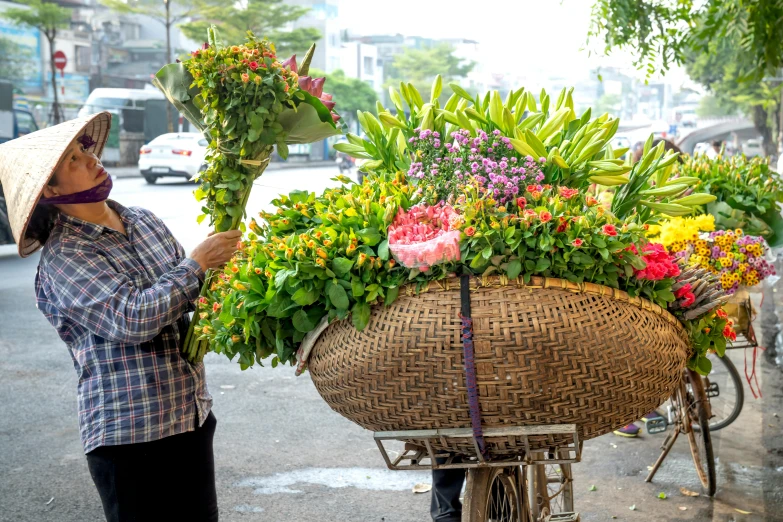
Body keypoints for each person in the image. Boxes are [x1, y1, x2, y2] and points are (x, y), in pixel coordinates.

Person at [0, 112, 241, 521]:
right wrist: (198, 264)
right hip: (129, 437)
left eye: (84, 150)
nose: (91, 160)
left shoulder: (143, 220)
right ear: (49, 191)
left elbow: (190, 298)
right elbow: (131, 319)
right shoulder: (65, 257)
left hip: (190, 415)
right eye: (72, 162)